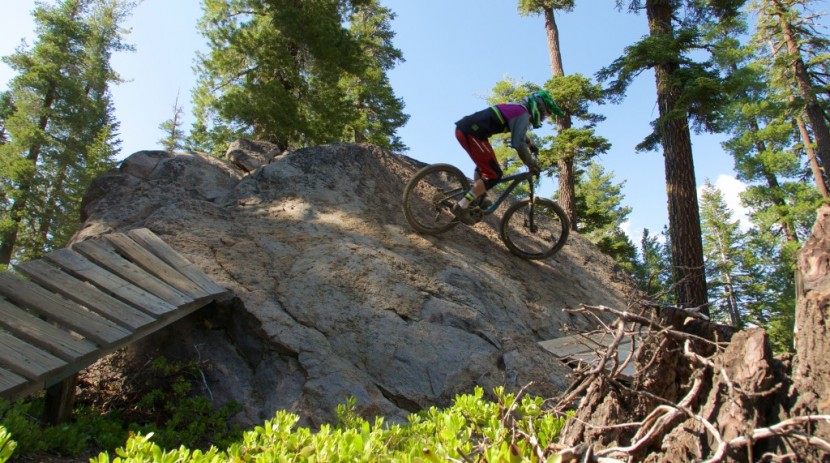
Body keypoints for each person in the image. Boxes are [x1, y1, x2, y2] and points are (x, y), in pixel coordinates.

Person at [452, 90, 564, 225]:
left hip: (470, 131)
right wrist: (531, 164)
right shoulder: (522, 113)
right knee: (494, 174)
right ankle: (461, 206)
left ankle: (478, 196)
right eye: (545, 114)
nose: (543, 118)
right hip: (471, 133)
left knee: (488, 165)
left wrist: (530, 144)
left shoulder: (519, 110)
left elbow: (519, 134)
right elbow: (517, 142)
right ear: (538, 107)